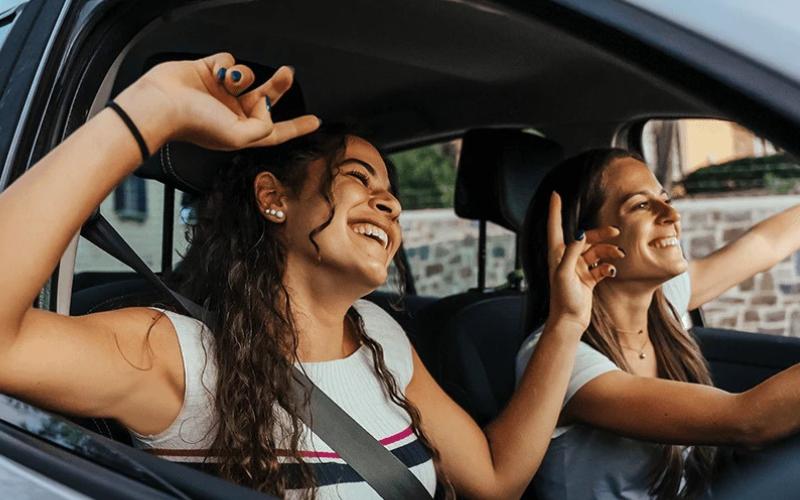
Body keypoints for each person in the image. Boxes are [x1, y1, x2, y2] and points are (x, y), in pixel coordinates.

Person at [0, 53, 622, 499]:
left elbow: (495, 480)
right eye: (358, 179)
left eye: (390, 191)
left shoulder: (381, 336)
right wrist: (147, 115)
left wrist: (567, 320)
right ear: (275, 200)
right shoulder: (177, 355)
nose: (390, 203)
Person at [516, 148, 800, 499]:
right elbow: (748, 421)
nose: (672, 214)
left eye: (665, 200)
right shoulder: (560, 357)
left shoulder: (662, 304)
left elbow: (766, 244)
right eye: (641, 205)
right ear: (584, 242)